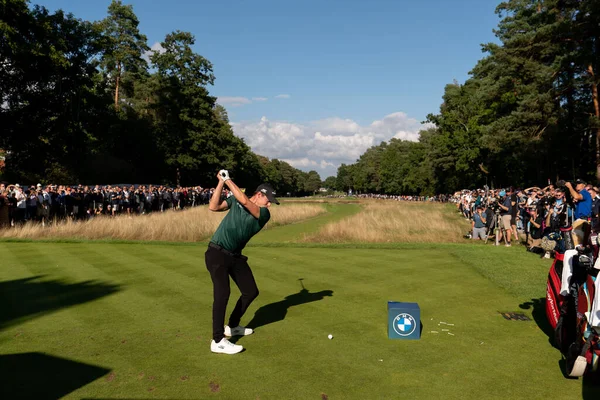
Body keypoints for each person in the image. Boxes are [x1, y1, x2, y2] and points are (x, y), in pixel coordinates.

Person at [205, 170, 279, 354]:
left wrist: (228, 179)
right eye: (268, 200)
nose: (270, 204)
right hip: (216, 252)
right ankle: (218, 340)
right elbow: (213, 207)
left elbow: (245, 202)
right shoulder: (235, 200)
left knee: (250, 291)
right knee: (223, 293)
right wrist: (221, 183)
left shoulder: (264, 214)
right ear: (259, 194)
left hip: (235, 256)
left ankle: (232, 325)